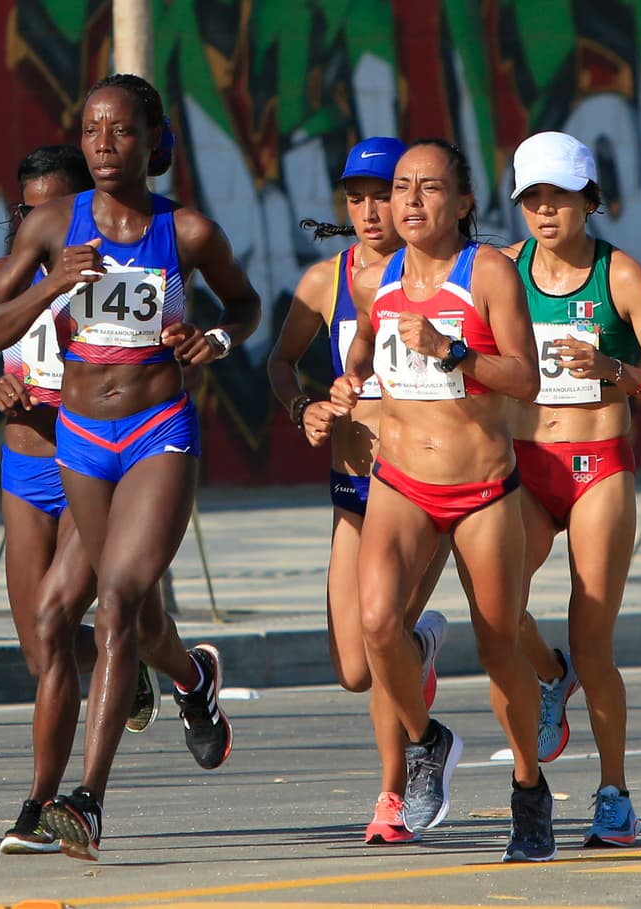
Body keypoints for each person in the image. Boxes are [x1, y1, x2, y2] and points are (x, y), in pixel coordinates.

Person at [0, 73, 261, 861]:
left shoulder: (189, 232)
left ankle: (84, 802)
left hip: (156, 430)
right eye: (93, 130)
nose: (105, 145)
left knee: (119, 600)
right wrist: (53, 286)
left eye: (122, 131)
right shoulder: (50, 226)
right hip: (78, 436)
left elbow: (245, 306)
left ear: (152, 141)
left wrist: (217, 341)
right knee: (122, 620)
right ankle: (193, 681)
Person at [0, 144, 163, 855]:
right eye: (31, 208)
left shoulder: (115, 277)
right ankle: (166, 673)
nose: (45, 219)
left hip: (90, 464)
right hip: (24, 471)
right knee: (42, 651)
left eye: (57, 207)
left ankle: (39, 806)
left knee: (57, 616)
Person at [330, 138, 553, 862]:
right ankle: (429, 741)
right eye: (401, 188)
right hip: (399, 481)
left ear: (461, 203)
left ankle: (528, 787)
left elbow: (526, 378)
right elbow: (364, 348)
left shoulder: (486, 271)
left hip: (483, 489)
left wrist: (454, 352)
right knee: (374, 623)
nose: (410, 202)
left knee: (498, 646)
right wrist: (346, 384)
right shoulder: (379, 277)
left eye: (429, 188)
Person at [505, 131, 641, 847]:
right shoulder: (504, 269)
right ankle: (550, 677)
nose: (546, 211)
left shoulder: (622, 277)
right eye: (533, 198)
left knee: (595, 640)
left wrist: (613, 367)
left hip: (599, 467)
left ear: (590, 198)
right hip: (525, 462)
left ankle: (613, 792)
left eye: (560, 196)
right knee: (497, 603)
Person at [267, 136, 452, 845]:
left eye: (386, 192)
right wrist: (302, 406)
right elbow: (282, 361)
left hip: (421, 487)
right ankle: (420, 649)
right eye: (358, 196)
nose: (372, 209)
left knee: (379, 646)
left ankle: (392, 795)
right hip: (352, 487)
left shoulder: (443, 276)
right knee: (351, 664)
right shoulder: (327, 279)